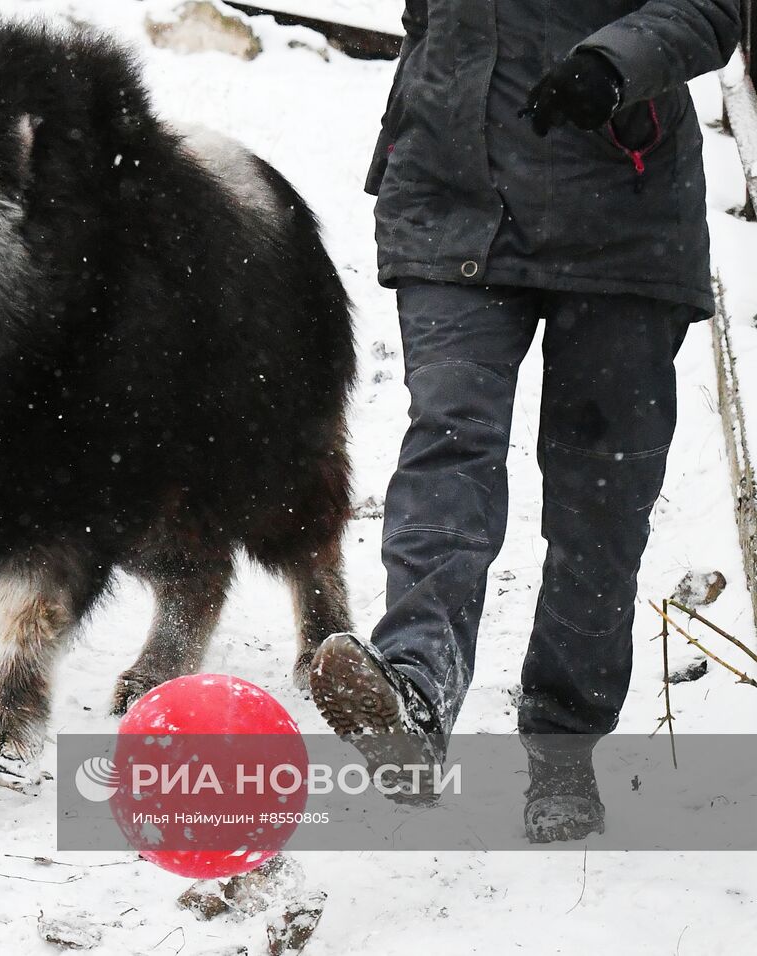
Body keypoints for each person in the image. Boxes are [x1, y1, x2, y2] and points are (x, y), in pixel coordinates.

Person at [307, 0, 742, 842]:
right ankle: (415, 693)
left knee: (599, 498)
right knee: (448, 441)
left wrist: (615, 62)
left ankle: (565, 750)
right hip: (452, 198)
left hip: (624, 215)